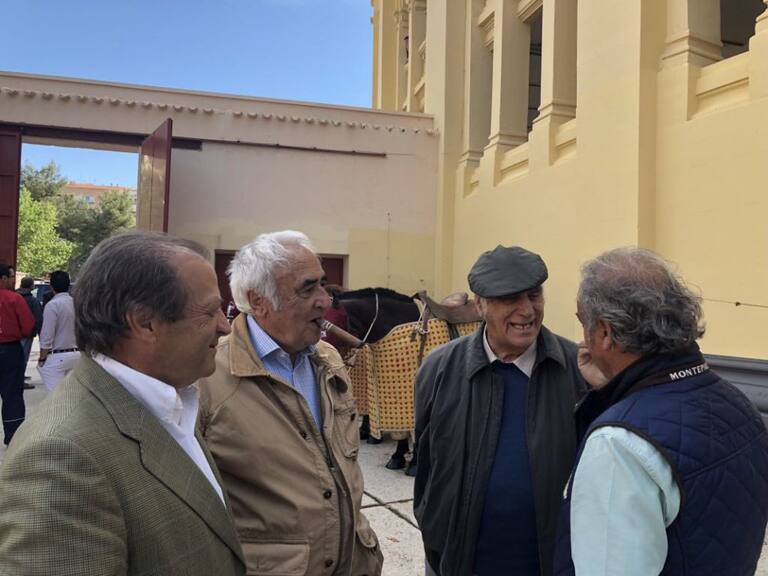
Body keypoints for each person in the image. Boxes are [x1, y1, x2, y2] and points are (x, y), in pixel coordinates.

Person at [0, 232, 246, 575]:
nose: (225, 326)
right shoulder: (60, 457)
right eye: (209, 311)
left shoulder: (169, 402)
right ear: (145, 323)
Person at [554, 247, 768, 576]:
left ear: (606, 332)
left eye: (585, 324)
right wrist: (615, 391)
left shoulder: (617, 445)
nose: (583, 341)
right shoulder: (737, 402)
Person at [197, 230, 383, 576]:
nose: (325, 301)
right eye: (307, 289)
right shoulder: (206, 376)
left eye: (323, 285)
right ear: (258, 301)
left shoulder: (328, 359)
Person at [414, 245, 586, 576]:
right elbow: (426, 465)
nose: (527, 310)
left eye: (534, 295)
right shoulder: (438, 369)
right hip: (457, 563)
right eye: (510, 298)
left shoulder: (577, 369)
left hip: (552, 566)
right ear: (480, 305)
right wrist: (434, 532)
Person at [0, 264, 35, 445]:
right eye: (11, 276)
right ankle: (13, 435)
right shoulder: (14, 299)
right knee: (12, 395)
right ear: (3, 278)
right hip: (9, 349)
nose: (13, 280)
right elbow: (28, 326)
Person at [37, 270, 78, 391]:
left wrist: (42, 358)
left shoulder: (52, 305)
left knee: (55, 397)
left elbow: (47, 335)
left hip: (57, 355)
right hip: (76, 354)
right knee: (71, 394)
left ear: (51, 286)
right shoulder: (76, 304)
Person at [16, 276, 43, 389]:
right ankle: (19, 380)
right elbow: (39, 318)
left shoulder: (14, 296)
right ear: (31, 286)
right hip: (27, 333)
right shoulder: (32, 300)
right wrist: (40, 333)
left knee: (15, 356)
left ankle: (17, 377)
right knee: (23, 357)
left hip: (13, 333)